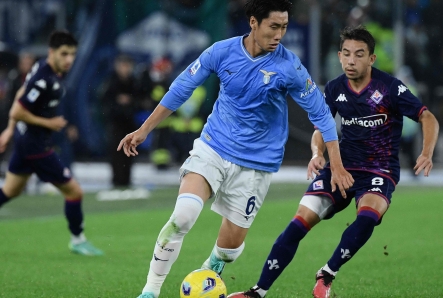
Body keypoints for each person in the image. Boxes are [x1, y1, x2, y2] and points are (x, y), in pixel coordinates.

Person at [117, 1, 353, 297]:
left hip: (257, 164)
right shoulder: (221, 51)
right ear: (253, 23)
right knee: (183, 215)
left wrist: (337, 164)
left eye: (284, 27)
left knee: (229, 250)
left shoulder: (289, 66)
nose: (280, 34)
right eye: (273, 27)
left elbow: (321, 114)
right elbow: (181, 88)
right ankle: (150, 291)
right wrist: (144, 130)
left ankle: (209, 273)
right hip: (214, 147)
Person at [228, 25, 439, 298]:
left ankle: (327, 272)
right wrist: (317, 154)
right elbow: (320, 129)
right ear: (339, 56)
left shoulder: (390, 87)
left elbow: (427, 117)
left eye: (359, 55)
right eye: (347, 54)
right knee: (298, 222)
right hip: (341, 167)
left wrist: (426, 152)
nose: (352, 60)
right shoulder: (335, 88)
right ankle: (258, 291)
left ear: (371, 59)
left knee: (368, 217)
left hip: (379, 169)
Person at [0, 30, 103, 256]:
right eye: (64, 54)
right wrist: (47, 122)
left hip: (25, 142)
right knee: (75, 192)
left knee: (9, 191)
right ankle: (78, 240)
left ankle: (78, 240)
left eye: (72, 54)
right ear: (52, 52)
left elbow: (20, 93)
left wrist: (9, 129)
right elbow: (19, 108)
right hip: (36, 148)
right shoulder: (44, 79)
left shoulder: (42, 69)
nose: (69, 59)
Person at [100, 54, 140, 188]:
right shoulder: (110, 81)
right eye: (122, 65)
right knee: (115, 151)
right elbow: (104, 101)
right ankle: (116, 180)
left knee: (130, 150)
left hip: (130, 122)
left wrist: (130, 101)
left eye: (127, 65)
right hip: (115, 123)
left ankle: (127, 180)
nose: (125, 68)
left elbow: (141, 100)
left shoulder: (134, 82)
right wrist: (117, 104)